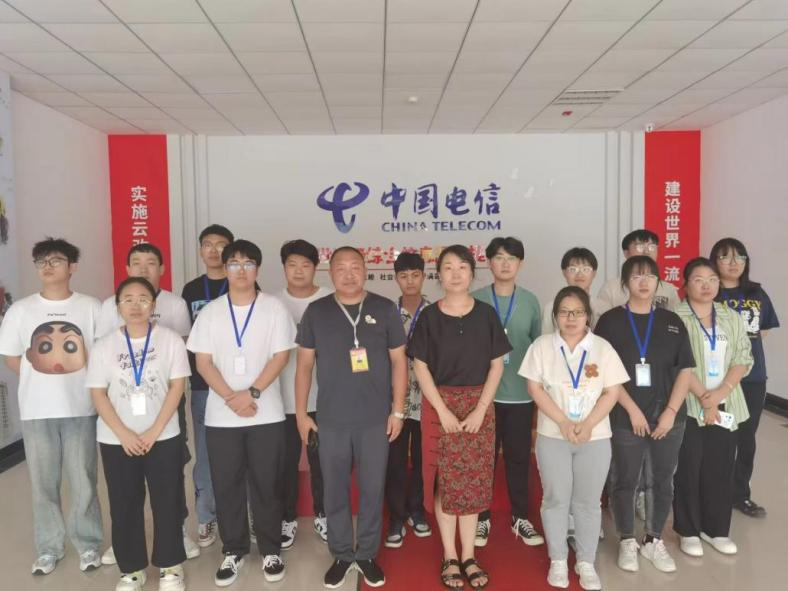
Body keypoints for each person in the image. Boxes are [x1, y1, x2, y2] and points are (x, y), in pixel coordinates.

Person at [295, 246, 407, 589]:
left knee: (372, 488)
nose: (348, 274)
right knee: (335, 491)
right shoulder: (317, 312)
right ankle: (343, 554)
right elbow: (304, 366)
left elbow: (399, 362)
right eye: (341, 268)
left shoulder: (385, 309)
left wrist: (398, 410)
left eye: (355, 267)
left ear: (366, 270)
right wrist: (301, 414)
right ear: (330, 273)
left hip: (375, 419)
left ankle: (368, 554)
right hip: (331, 420)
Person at [187, 239, 295, 586]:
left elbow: (281, 356)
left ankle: (270, 550)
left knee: (267, 484)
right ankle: (233, 550)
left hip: (267, 414)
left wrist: (252, 393)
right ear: (225, 269)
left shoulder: (274, 308)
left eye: (248, 263)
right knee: (227, 483)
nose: (241, 270)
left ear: (257, 269)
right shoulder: (211, 312)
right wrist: (231, 398)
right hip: (222, 417)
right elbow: (203, 362)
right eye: (234, 263)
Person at [410, 244, 511, 590]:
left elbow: (497, 365)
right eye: (448, 268)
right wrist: (442, 410)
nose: (455, 274)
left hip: (479, 407)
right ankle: (450, 555)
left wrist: (481, 409)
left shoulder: (486, 314)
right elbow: (420, 365)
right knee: (445, 482)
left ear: (472, 273)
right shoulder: (429, 316)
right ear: (439, 275)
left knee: (473, 483)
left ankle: (469, 555)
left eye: (462, 267)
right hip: (440, 406)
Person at [0, 237, 103, 575]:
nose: (47, 266)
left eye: (55, 260)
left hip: (81, 408)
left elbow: (101, 355)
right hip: (37, 410)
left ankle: (88, 544)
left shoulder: (90, 307)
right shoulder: (21, 310)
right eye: (41, 261)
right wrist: (42, 379)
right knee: (43, 483)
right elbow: (11, 357)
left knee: (83, 480)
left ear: (72, 267)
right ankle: (49, 547)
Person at [520, 286, 628, 591]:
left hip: (595, 437)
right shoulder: (542, 347)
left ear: (587, 316)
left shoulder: (602, 348)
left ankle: (585, 561)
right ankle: (557, 559)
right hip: (553, 435)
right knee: (555, 499)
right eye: (564, 312)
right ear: (555, 316)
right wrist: (564, 422)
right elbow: (534, 388)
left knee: (588, 502)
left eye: (578, 312)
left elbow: (612, 391)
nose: (571, 318)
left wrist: (589, 423)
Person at [87, 277, 190, 591]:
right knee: (124, 503)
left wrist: (155, 430)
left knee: (167, 501)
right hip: (117, 439)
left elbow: (177, 387)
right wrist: (124, 434)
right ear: (118, 306)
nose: (135, 305)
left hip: (164, 436)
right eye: (128, 299)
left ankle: (170, 565)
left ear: (153, 305)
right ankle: (131, 569)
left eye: (143, 299)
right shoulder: (104, 346)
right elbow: (98, 393)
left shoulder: (170, 340)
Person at [595, 256, 695, 574]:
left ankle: (653, 539)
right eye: (636, 276)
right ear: (625, 282)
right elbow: (605, 373)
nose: (644, 281)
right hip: (625, 416)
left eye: (650, 276)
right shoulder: (610, 321)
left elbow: (685, 370)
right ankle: (627, 538)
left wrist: (671, 412)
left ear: (658, 283)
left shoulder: (672, 321)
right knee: (624, 479)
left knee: (662, 480)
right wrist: (632, 410)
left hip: (668, 417)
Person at [673, 257, 753, 557]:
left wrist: (719, 394)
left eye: (712, 280)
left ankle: (716, 529)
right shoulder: (675, 317)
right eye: (698, 279)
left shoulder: (730, 316)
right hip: (688, 403)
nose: (706, 285)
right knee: (689, 467)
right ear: (685, 284)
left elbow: (743, 357)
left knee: (720, 467)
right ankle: (688, 530)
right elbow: (677, 362)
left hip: (727, 402)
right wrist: (704, 396)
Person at [471, 237, 543, 548]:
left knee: (518, 459)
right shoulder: (475, 299)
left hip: (520, 396)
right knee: (482, 460)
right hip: (482, 397)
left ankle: (520, 517)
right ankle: (481, 518)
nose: (505, 263)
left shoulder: (530, 301)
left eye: (511, 258)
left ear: (520, 264)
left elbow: (537, 347)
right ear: (489, 262)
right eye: (499, 257)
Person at [711, 238, 779, 518]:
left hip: (752, 378)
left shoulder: (756, 293)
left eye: (740, 257)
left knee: (746, 437)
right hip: (716, 378)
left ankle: (740, 494)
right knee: (718, 435)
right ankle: (714, 491)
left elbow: (763, 331)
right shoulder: (710, 292)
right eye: (725, 257)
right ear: (714, 261)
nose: (733, 262)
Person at [274, 239, 331, 548]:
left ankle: (324, 514)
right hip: (281, 399)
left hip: (323, 399)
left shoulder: (330, 300)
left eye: (305, 265)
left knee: (323, 461)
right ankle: (287, 518)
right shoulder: (270, 303)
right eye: (292, 265)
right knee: (284, 464)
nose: (298, 271)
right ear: (283, 268)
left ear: (316, 268)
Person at [180, 224, 234, 548]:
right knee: (205, 453)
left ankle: (241, 513)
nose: (214, 251)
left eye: (221, 245)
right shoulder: (190, 290)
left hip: (238, 383)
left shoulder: (243, 282)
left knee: (239, 451)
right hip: (202, 383)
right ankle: (206, 515)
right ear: (201, 250)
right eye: (208, 244)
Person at [384, 251, 432, 549]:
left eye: (415, 275)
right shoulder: (387, 312)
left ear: (424, 277)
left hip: (428, 397)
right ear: (396, 279)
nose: (410, 281)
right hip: (396, 400)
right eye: (404, 276)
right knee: (396, 459)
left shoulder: (435, 312)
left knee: (425, 457)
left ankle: (417, 509)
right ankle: (396, 516)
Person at [597, 230, 681, 314]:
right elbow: (602, 319)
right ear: (626, 253)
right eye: (640, 247)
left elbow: (676, 319)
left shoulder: (668, 289)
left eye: (651, 247)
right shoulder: (611, 288)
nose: (646, 252)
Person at [543, 247, 606, 333]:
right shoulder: (550, 308)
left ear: (594, 273)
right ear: (564, 272)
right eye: (573, 269)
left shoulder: (604, 308)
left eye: (585, 269)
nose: (579, 274)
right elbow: (546, 338)